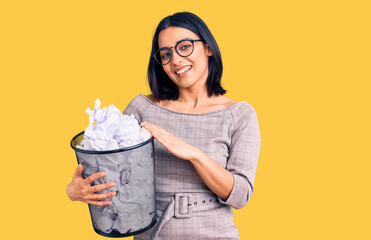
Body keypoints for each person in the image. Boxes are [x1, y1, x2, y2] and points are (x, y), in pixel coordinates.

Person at [66, 11, 261, 239]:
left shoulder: (240, 115)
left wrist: (194, 154)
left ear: (208, 48)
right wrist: (76, 191)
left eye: (185, 47)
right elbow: (113, 177)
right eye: (165, 54)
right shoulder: (142, 109)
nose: (176, 60)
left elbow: (240, 196)